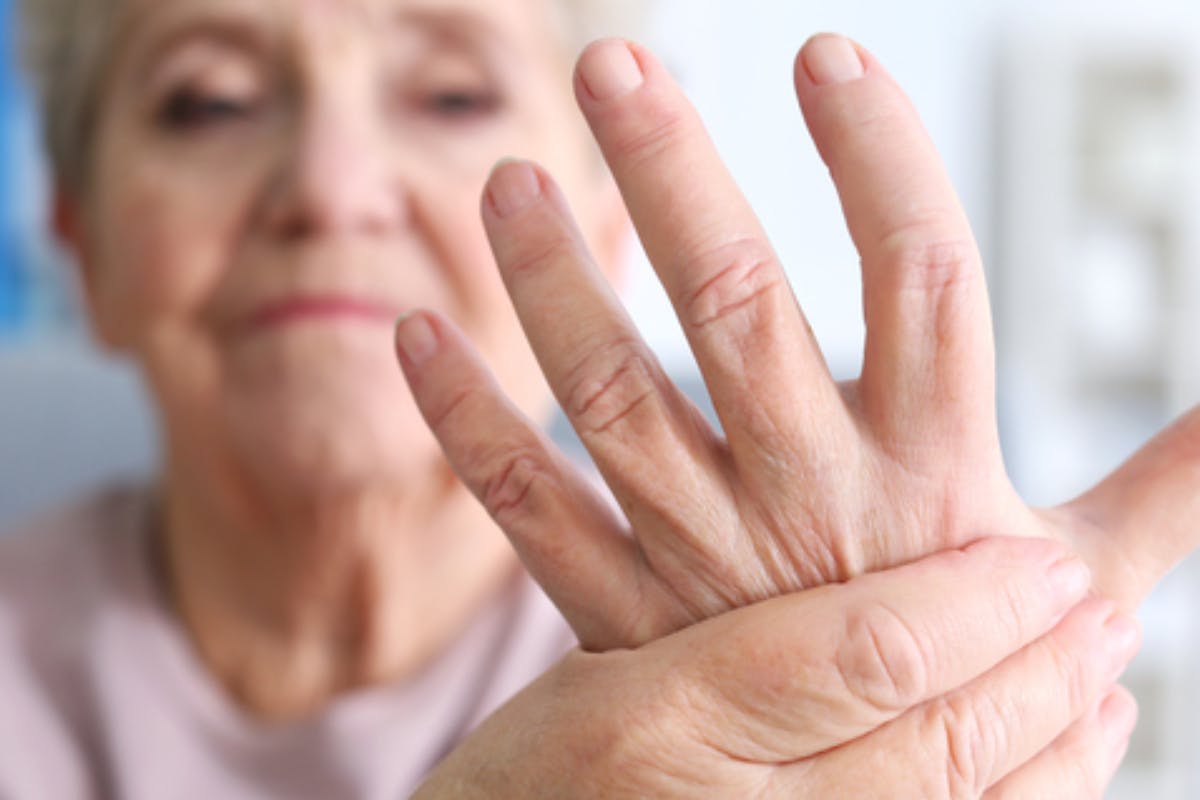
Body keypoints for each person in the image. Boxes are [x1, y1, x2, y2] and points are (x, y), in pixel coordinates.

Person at [2, 0, 1197, 797]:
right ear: (80, 238)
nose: (331, 187)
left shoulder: (781, 627)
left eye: (452, 96)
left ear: (606, 222)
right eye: (208, 102)